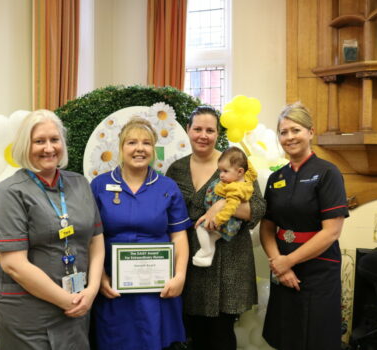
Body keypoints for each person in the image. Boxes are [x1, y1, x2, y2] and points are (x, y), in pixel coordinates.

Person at [0, 110, 105, 349]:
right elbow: (13, 265)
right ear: (24, 146)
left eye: (54, 139)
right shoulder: (8, 192)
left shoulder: (79, 184)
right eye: (39, 141)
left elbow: (96, 242)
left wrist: (91, 291)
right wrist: (67, 300)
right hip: (29, 312)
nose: (49, 148)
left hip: (77, 305)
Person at [166, 105, 266, 350]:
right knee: (189, 332)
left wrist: (221, 205)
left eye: (210, 130)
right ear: (188, 130)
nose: (203, 135)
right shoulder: (176, 169)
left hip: (227, 263)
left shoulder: (235, 163)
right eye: (197, 128)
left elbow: (257, 208)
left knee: (220, 336)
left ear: (217, 133)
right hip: (188, 260)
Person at [90, 117, 192, 350]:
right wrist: (99, 279)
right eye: (132, 142)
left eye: (146, 143)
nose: (139, 149)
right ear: (121, 147)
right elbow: (91, 238)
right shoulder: (99, 185)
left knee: (155, 341)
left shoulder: (167, 187)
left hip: (157, 290)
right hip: (113, 287)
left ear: (154, 149)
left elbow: (178, 236)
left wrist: (180, 276)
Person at [259, 102, 349, 350]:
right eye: (283, 132)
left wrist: (289, 262)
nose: (289, 137)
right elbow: (267, 227)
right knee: (285, 334)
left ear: (311, 132)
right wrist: (279, 263)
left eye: (295, 130)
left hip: (318, 270)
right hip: (282, 267)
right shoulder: (276, 178)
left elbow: (332, 231)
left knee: (315, 338)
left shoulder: (328, 173)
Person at [193, 146, 257, 267]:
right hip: (230, 225)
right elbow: (252, 172)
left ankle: (205, 251)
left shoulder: (235, 189)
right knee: (211, 239)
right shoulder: (246, 179)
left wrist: (218, 220)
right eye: (220, 171)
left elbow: (230, 208)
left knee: (201, 229)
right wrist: (242, 157)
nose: (221, 175)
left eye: (225, 171)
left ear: (239, 172)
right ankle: (207, 257)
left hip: (225, 223)